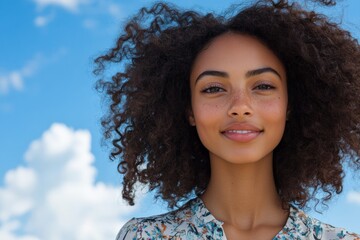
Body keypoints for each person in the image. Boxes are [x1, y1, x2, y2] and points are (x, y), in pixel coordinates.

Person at [94, 0, 360, 239]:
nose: (240, 107)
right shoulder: (144, 237)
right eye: (213, 89)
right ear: (189, 111)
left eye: (263, 86)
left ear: (290, 104)